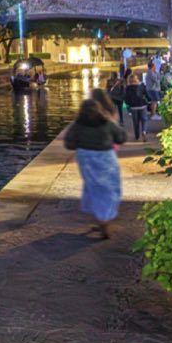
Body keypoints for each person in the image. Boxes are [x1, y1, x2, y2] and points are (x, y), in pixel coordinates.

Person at [64, 92, 126, 238]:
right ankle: (105, 219)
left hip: (86, 158)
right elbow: (121, 137)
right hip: (106, 157)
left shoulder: (77, 125)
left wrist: (81, 144)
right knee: (110, 187)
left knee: (93, 187)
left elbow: (69, 143)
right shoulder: (107, 123)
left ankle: (100, 219)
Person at [124, 72, 151, 141]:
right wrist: (149, 100)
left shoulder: (128, 88)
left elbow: (126, 98)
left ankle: (137, 136)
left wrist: (129, 104)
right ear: (137, 79)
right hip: (142, 105)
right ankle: (144, 131)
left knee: (135, 122)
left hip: (133, 107)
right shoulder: (142, 86)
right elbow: (147, 94)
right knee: (144, 120)